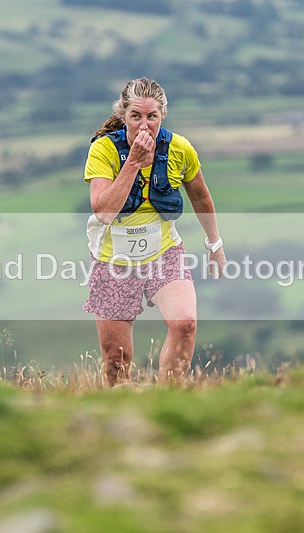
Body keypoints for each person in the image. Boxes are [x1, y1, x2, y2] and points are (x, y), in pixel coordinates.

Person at [82, 77, 225, 386]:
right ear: (124, 116)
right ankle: (119, 414)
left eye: (151, 116)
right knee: (116, 361)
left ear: (163, 115)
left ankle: (168, 399)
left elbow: (201, 196)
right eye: (136, 116)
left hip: (163, 253)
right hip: (113, 260)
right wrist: (132, 162)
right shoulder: (104, 150)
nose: (144, 125)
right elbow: (103, 211)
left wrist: (215, 244)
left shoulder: (179, 149)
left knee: (185, 323)